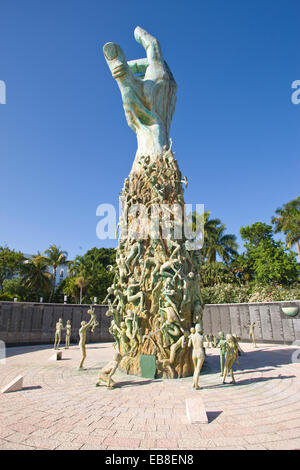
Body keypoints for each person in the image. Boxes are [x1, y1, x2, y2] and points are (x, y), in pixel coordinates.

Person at [188, 324, 205, 390]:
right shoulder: (202, 336)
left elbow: (189, 345)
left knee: (195, 368)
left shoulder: (192, 336)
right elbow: (202, 344)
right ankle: (196, 385)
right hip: (200, 352)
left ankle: (193, 383)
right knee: (198, 369)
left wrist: (190, 338)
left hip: (194, 352)